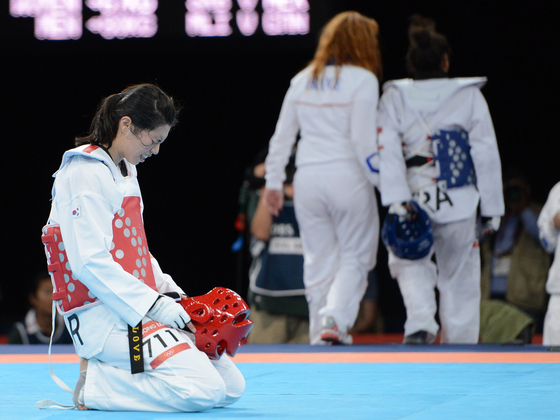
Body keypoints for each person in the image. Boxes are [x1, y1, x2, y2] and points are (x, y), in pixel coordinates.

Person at [42, 84, 245, 411]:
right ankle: (95, 385)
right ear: (126, 125)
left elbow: (136, 252)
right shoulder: (83, 174)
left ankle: (116, 374)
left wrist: (174, 296)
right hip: (101, 317)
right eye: (154, 140)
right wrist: (156, 306)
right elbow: (89, 264)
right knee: (205, 391)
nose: (156, 150)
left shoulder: (126, 171)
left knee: (231, 387)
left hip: (138, 308)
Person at [377, 20, 504, 344]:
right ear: (445, 61)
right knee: (459, 275)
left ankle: (421, 324)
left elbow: (387, 149)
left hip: (413, 198)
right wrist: (492, 209)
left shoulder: (394, 97)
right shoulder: (469, 96)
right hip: (459, 199)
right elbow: (485, 154)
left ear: (411, 63)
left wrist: (396, 199)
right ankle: (460, 344)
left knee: (408, 260)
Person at [263, 11, 382, 345]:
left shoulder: (303, 80)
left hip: (308, 182)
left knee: (317, 259)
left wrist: (274, 183)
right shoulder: (364, 80)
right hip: (349, 177)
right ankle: (336, 318)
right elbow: (363, 143)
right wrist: (389, 187)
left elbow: (282, 138)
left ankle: (320, 334)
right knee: (356, 256)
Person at [248, 152, 309, 343]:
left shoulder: (317, 198)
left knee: (311, 372)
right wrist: (272, 185)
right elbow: (261, 232)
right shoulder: (262, 195)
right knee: (261, 369)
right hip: (269, 306)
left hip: (311, 307)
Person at [480, 173, 550, 332]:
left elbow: (545, 238)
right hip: (490, 294)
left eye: (518, 190)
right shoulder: (496, 217)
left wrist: (524, 210)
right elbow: (475, 237)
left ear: (528, 191)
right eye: (508, 190)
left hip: (524, 297)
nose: (513, 194)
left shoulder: (539, 213)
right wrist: (493, 210)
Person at [8, 272, 73, 345]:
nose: (53, 297)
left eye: (56, 291)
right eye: (47, 291)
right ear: (33, 298)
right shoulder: (20, 332)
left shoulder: (72, 326)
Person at [537, 181, 560, 345]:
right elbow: (547, 244)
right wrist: (553, 224)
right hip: (559, 295)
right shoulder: (558, 191)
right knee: (552, 365)